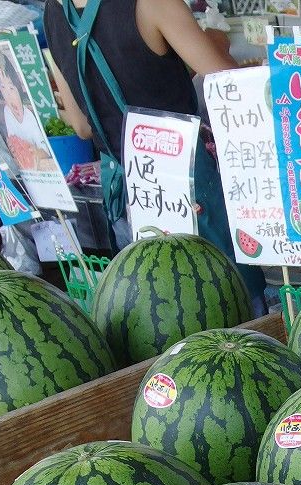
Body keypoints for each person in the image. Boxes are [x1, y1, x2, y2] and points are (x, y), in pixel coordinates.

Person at [42, 0, 264, 307]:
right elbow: (236, 86)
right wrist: (215, 41)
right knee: (236, 309)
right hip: (187, 185)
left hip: (127, 194)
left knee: (162, 314)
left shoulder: (54, 12)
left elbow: (81, 126)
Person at [0, 47, 57, 173]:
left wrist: (35, 153)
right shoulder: (6, 113)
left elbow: (46, 153)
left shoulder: (30, 116)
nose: (8, 95)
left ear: (18, 87)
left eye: (11, 87)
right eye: (2, 87)